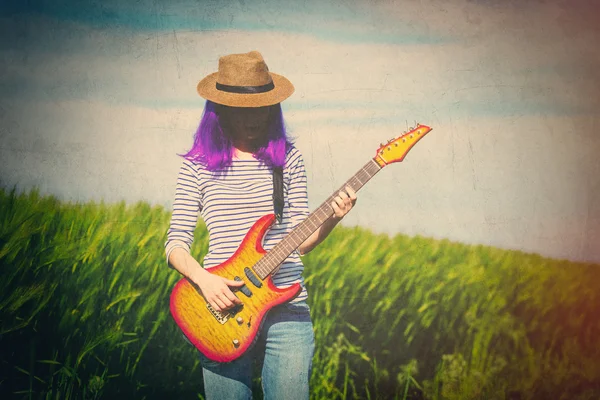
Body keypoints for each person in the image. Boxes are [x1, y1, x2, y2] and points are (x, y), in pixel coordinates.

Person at [164, 50, 357, 400]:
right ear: (219, 109)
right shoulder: (197, 166)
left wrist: (332, 217)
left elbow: (301, 240)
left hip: (287, 308)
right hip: (219, 308)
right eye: (242, 110)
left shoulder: (287, 160)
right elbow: (176, 243)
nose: (253, 119)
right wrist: (205, 281)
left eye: (261, 108)